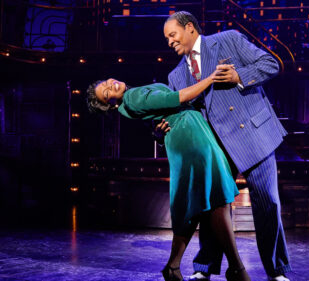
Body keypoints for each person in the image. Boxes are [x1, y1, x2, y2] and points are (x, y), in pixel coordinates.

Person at [161, 11, 291, 281]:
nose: (170, 42)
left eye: (173, 35)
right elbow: (181, 116)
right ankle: (205, 267)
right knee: (213, 206)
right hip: (217, 146)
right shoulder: (175, 77)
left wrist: (239, 75)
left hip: (253, 134)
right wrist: (161, 127)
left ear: (190, 29)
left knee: (268, 202)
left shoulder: (228, 40)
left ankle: (277, 270)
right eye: (167, 39)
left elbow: (271, 64)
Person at [86, 73, 251, 281]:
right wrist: (212, 79)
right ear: (110, 105)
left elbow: (160, 111)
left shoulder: (129, 99)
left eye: (106, 83)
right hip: (190, 139)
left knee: (202, 204)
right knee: (217, 200)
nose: (110, 85)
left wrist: (158, 129)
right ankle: (236, 268)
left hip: (190, 133)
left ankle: (174, 266)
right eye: (106, 93)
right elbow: (179, 98)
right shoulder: (132, 98)